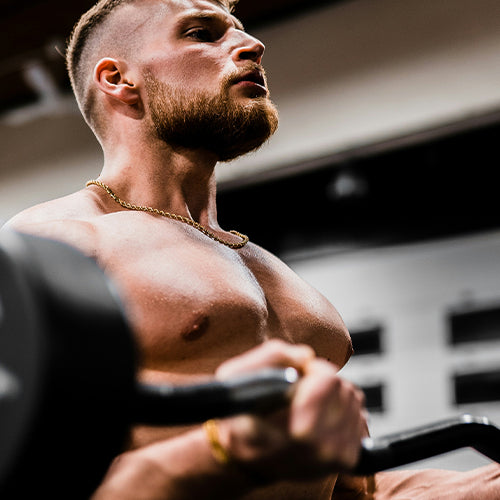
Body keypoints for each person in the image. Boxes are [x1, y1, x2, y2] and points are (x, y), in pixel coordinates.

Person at [3, 0, 500, 498]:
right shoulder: (51, 245)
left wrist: (479, 488)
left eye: (240, 31)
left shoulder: (276, 276)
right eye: (202, 33)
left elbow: (355, 489)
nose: (253, 45)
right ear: (117, 79)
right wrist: (224, 450)